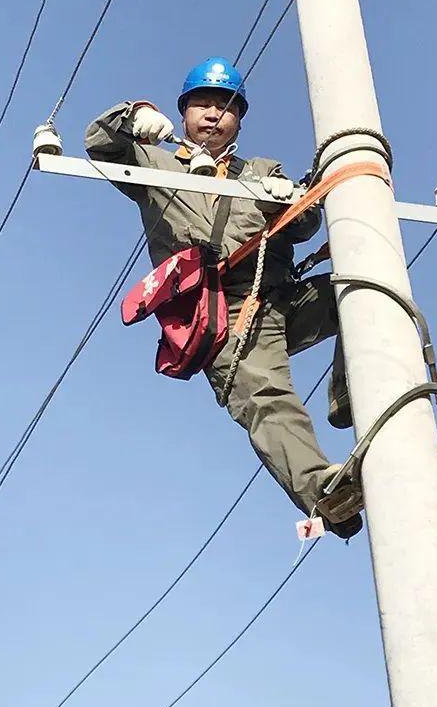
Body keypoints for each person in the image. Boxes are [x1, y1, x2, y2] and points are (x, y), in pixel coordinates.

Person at [84, 57, 363, 537]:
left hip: (279, 298)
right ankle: (326, 493)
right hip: (223, 311)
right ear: (185, 112)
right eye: (203, 104)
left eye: (225, 106)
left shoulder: (261, 169)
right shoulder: (154, 161)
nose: (213, 114)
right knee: (265, 397)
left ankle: (346, 393)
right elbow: (100, 143)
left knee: (363, 293)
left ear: (239, 118)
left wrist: (285, 199)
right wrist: (135, 114)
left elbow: (304, 224)